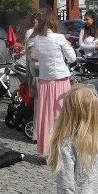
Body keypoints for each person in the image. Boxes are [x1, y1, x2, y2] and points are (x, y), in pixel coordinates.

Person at [31, 10, 76, 155]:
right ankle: (62, 147)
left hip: (45, 80)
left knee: (46, 115)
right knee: (61, 114)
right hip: (60, 79)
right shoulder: (59, 38)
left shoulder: (37, 39)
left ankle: (47, 148)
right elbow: (72, 58)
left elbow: (37, 58)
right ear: (53, 22)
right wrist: (68, 45)